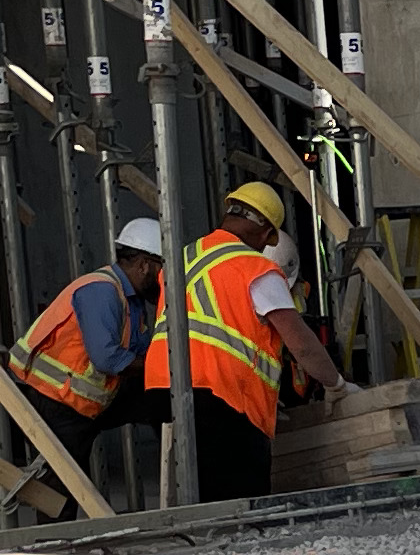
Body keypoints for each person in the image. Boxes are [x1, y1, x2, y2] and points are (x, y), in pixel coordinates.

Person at [137, 180, 343, 502]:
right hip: (219, 397)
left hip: (160, 388)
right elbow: (300, 343)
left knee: (199, 494)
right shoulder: (255, 268)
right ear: (265, 232)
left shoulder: (183, 259)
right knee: (242, 500)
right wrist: (337, 384)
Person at [13, 213, 163, 501]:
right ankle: (56, 543)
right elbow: (107, 358)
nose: (163, 279)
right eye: (161, 269)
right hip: (55, 399)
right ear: (144, 265)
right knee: (63, 485)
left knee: (163, 398)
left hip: (83, 399)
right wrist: (160, 367)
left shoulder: (130, 299)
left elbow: (142, 349)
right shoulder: (102, 291)